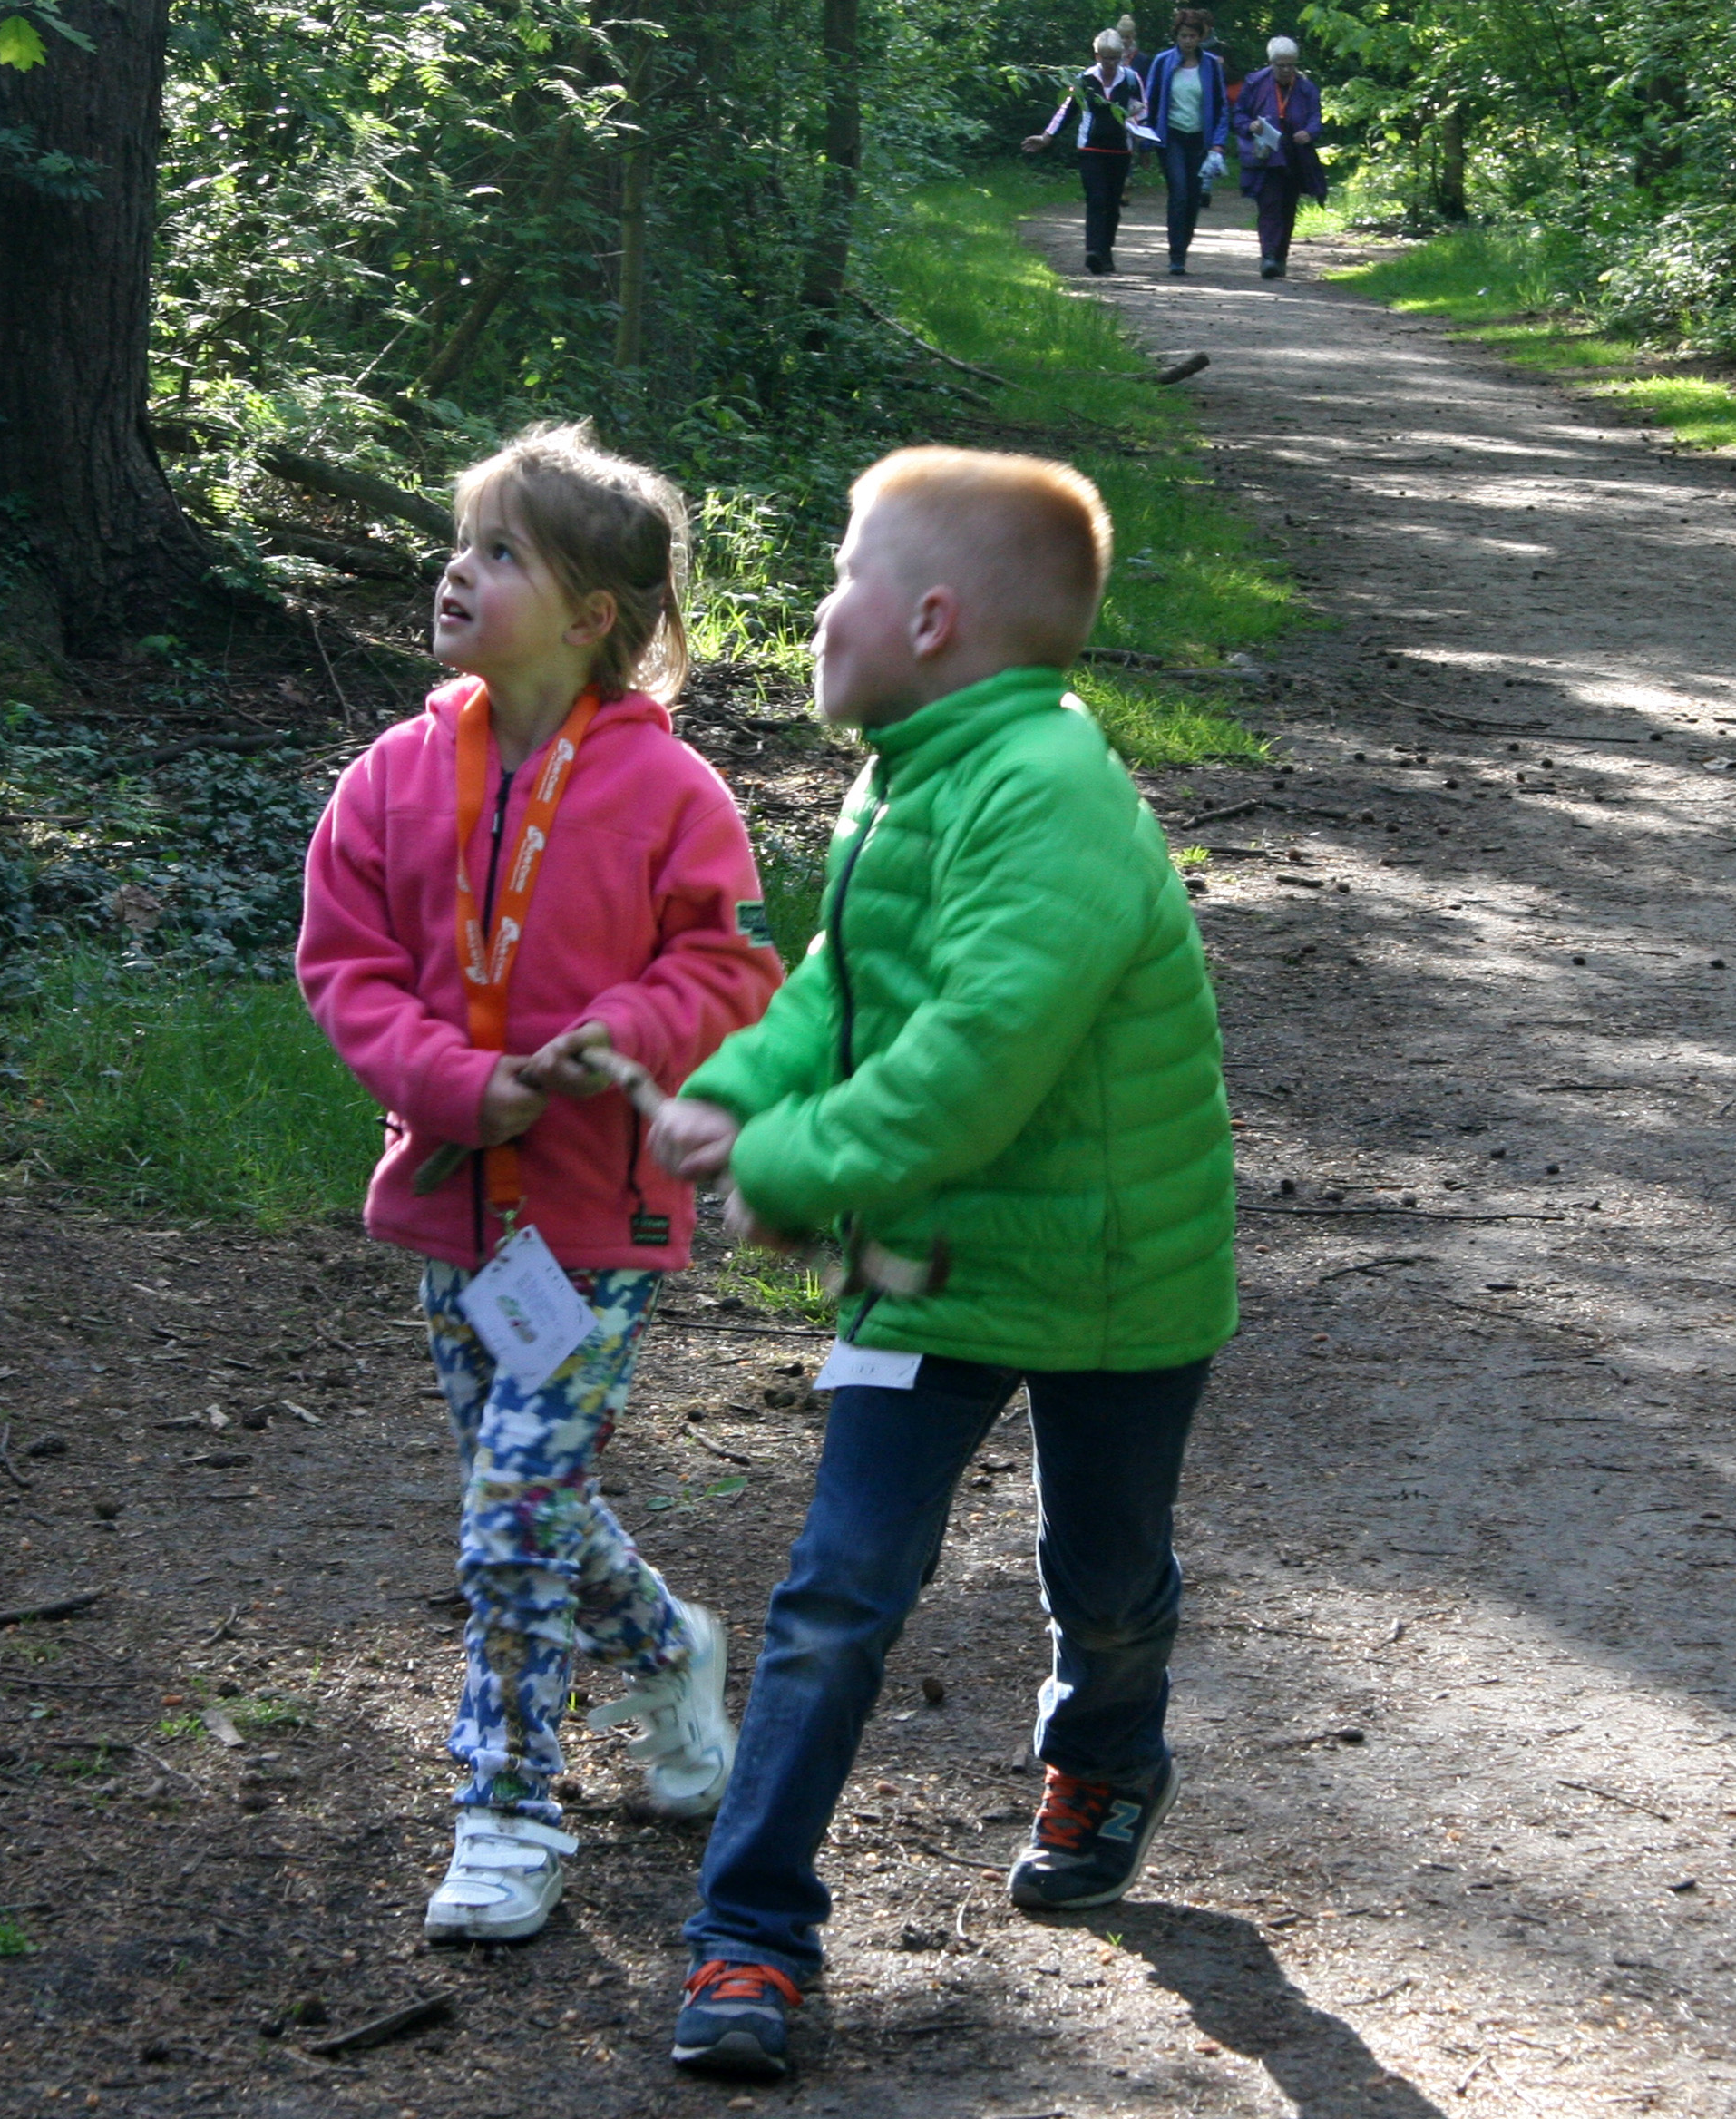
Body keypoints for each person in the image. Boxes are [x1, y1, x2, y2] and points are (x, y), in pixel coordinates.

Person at [649, 448, 1238, 2079]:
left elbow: (975, 1059)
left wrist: (784, 1166)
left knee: (1103, 1583)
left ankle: (1105, 1759)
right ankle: (749, 1935)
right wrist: (737, 1091)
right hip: (930, 1263)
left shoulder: (1048, 792)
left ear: (928, 618)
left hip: (1112, 1276)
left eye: (841, 575)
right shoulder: (906, 775)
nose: (817, 609)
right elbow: (847, 984)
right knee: (835, 1594)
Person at [295, 424, 785, 1946]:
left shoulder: (670, 790)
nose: (458, 570)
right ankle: (673, 1653)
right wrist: (456, 1082)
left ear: (591, 617)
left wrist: (620, 1030)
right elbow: (344, 967)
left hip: (593, 1223)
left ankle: (507, 1807)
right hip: (454, 1208)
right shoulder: (389, 777)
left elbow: (731, 965)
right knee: (530, 1503)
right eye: (464, 542)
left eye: (502, 553)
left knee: (512, 1512)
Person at [1022, 28, 1146, 274]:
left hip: (1121, 150)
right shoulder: (1084, 79)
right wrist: (1046, 137)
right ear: (1097, 56)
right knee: (1096, 199)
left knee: (1112, 203)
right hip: (1091, 148)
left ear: (1122, 56)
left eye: (1116, 58)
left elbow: (1143, 109)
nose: (1111, 64)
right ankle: (1093, 251)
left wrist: (1137, 122)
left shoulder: (1132, 79)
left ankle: (1106, 252)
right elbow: (1067, 110)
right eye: (1106, 58)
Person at [1138, 8, 1230, 274]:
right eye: (1183, 36)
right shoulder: (1162, 62)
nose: (1188, 41)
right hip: (1172, 137)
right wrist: (1145, 143)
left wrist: (1218, 143)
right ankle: (1176, 255)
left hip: (1200, 139)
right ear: (1176, 36)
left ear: (1200, 37)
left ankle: (1183, 247)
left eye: (1192, 36)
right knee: (1178, 193)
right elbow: (1150, 103)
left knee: (1193, 196)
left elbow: (1222, 106)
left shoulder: (1210, 65)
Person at [1233, 36, 1324, 278]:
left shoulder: (1306, 88)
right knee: (1269, 205)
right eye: (1281, 65)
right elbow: (1239, 115)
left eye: (1291, 65)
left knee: (1287, 206)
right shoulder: (1255, 83)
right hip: (1266, 156)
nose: (1286, 70)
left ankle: (1281, 256)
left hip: (1295, 156)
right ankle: (1269, 257)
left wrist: (1309, 132)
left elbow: (1316, 118)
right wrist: (1250, 125)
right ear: (1271, 63)